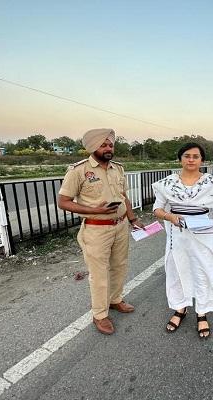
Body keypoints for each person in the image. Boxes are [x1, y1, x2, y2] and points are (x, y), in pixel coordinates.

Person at [58, 128, 144, 335]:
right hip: (97, 229)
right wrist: (94, 210)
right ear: (92, 147)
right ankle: (100, 314)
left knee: (119, 266)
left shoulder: (118, 168)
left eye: (110, 145)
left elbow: (123, 197)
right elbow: (63, 202)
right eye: (103, 145)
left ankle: (115, 300)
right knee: (98, 274)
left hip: (121, 226)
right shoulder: (78, 170)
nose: (108, 148)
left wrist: (133, 219)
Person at [152, 143, 213, 339]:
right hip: (177, 236)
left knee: (203, 272)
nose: (191, 159)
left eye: (195, 156)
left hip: (203, 236)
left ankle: (202, 313)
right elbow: (157, 209)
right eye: (187, 156)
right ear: (180, 159)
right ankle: (180, 309)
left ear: (201, 160)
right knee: (177, 271)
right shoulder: (168, 184)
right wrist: (170, 217)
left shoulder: (211, 183)